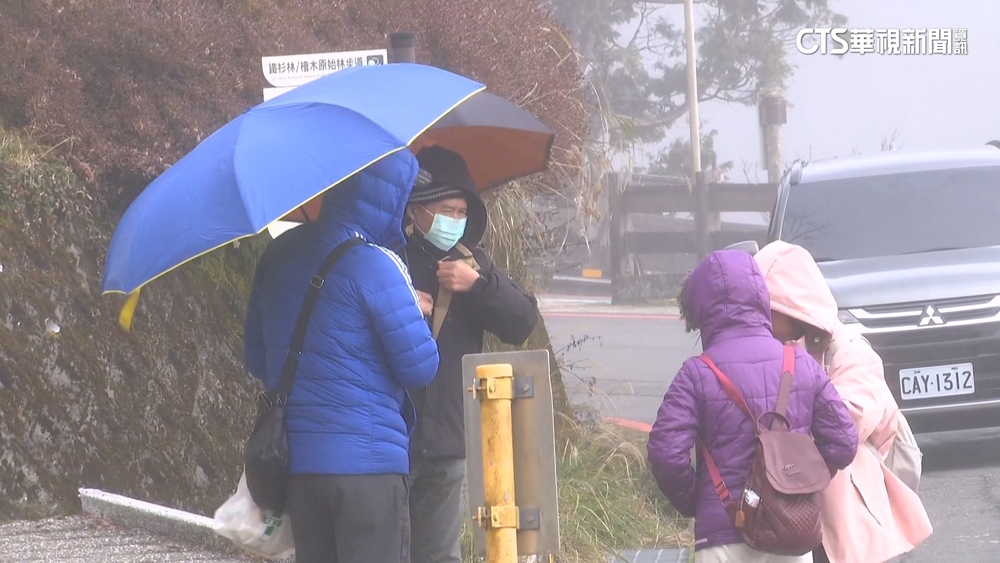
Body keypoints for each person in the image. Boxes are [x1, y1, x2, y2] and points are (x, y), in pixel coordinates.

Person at [243, 150, 440, 563]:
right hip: (368, 473)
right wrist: (412, 309)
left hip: (300, 470)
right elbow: (420, 366)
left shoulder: (278, 255)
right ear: (385, 197)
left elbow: (260, 361)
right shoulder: (375, 264)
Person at [647, 250, 858, 563]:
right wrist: (800, 482)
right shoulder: (799, 362)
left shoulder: (696, 374)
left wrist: (699, 501)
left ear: (701, 308)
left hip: (722, 540)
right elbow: (843, 442)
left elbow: (666, 453)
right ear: (760, 296)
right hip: (790, 535)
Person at [753, 240, 933, 563]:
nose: (758, 319)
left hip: (852, 531)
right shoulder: (758, 355)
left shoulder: (850, 352)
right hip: (782, 527)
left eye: (766, 309)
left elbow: (845, 428)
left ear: (791, 307)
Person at [402, 146, 539, 563]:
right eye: (446, 210)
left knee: (439, 553)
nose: (454, 221)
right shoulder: (388, 258)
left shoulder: (472, 262)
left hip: (447, 438)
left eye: (462, 212)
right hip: (393, 434)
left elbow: (521, 322)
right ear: (417, 210)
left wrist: (477, 284)